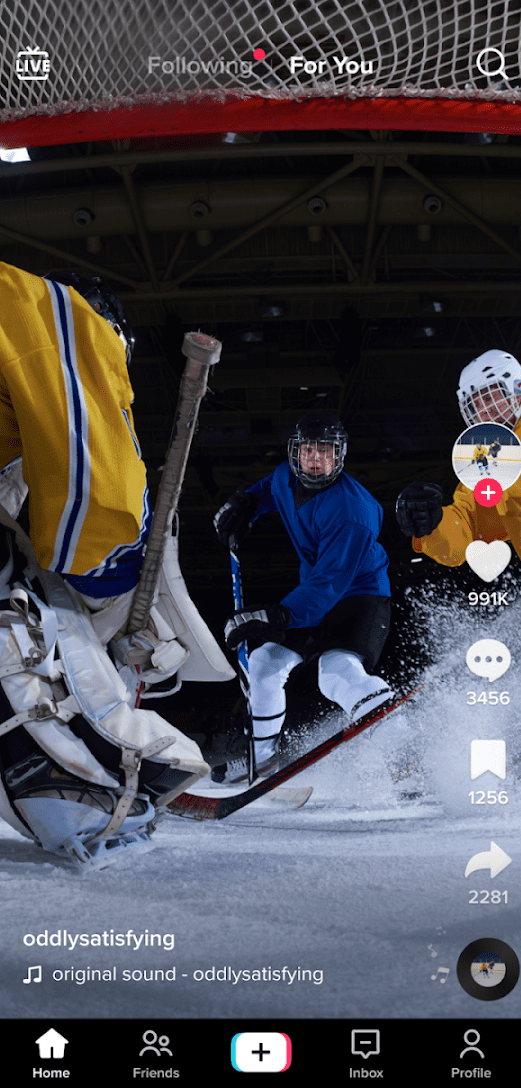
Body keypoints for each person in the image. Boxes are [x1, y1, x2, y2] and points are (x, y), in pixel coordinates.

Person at [0, 261, 233, 866]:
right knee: (19, 630)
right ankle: (88, 798)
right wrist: (115, 586)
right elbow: (92, 495)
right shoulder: (69, 321)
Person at [213, 410, 394, 783]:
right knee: (264, 665)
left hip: (359, 597)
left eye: (325, 452)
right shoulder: (284, 476)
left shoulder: (352, 512)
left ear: (339, 456)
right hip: (312, 595)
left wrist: (275, 615)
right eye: (309, 451)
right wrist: (246, 505)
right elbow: (267, 491)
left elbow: (330, 583)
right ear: (296, 453)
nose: (316, 459)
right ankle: (260, 760)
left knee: (336, 671)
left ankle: (404, 749)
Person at [395, 349, 521, 565]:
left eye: (488, 398)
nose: (482, 413)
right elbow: (468, 530)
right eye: (475, 406)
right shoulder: (494, 461)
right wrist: (433, 525)